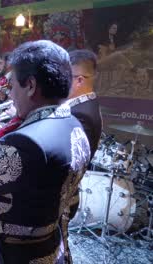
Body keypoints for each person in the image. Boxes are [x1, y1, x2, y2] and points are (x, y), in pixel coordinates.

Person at [0, 40, 91, 263]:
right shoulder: (74, 124)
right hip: (51, 248)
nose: (10, 95)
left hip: (17, 255)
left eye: (13, 87)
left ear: (31, 85)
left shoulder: (24, 144)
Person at [61, 49, 103, 263]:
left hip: (64, 198)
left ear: (78, 80)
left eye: (63, 78)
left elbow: (67, 163)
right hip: (65, 195)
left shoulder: (82, 113)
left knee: (61, 249)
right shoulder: (84, 105)